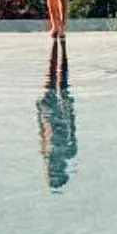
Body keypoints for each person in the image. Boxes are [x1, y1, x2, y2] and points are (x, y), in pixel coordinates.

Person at [35, 36, 77, 191]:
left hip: (51, 113)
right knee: (59, 81)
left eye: (51, 173)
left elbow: (42, 133)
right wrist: (70, 109)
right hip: (58, 114)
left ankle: (59, 46)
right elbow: (72, 129)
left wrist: (38, 112)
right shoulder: (69, 152)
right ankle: (60, 46)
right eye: (53, 173)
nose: (51, 170)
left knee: (54, 80)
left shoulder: (47, 153)